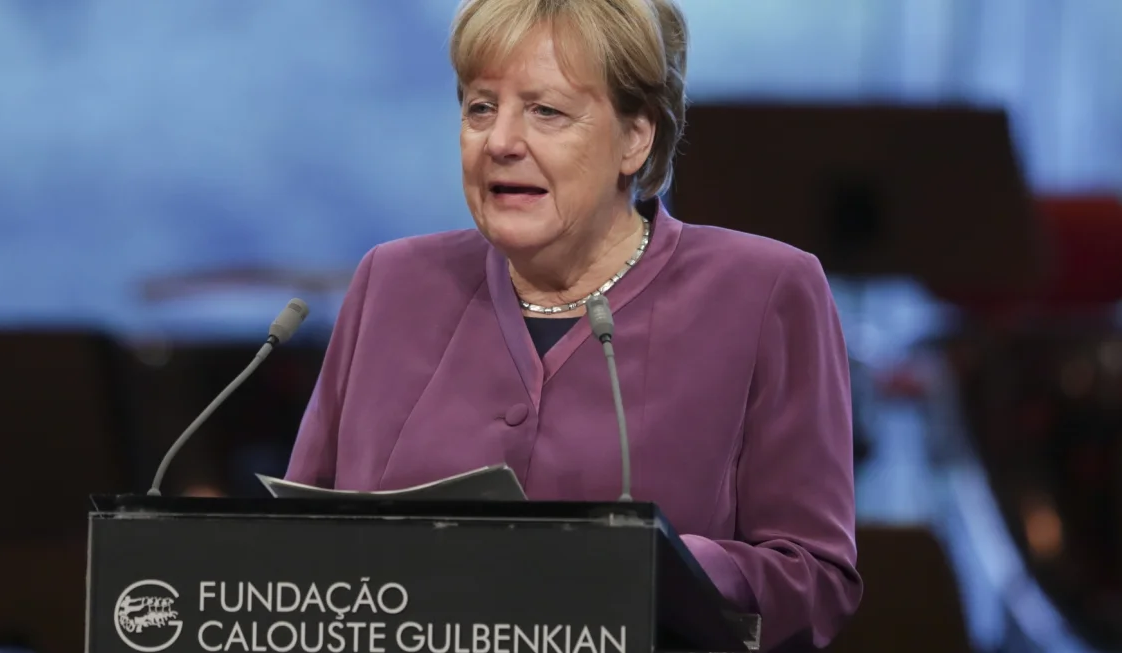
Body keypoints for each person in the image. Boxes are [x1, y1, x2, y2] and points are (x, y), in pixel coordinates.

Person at [285, 0, 863, 649]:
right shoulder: (391, 283)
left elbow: (814, 578)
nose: (500, 140)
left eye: (545, 111)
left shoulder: (764, 291)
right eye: (480, 107)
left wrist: (661, 561)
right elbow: (294, 545)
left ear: (635, 136)